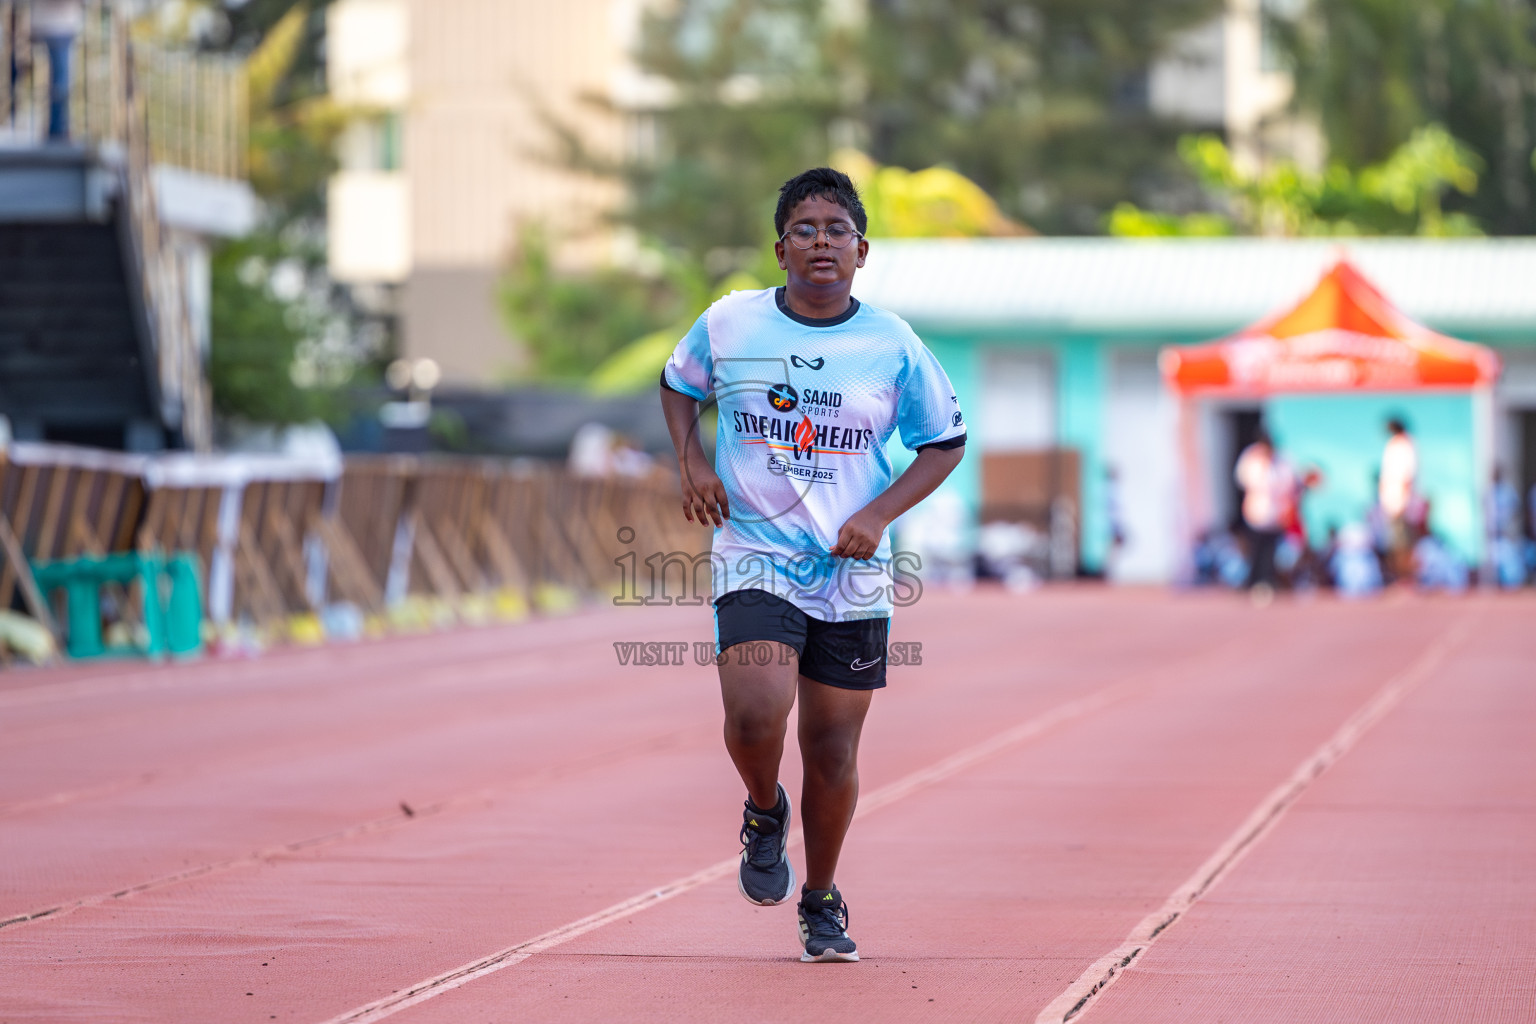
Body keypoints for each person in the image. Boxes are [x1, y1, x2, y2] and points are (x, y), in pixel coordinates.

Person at [659, 168, 965, 963]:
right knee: (756, 714)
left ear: (861, 251)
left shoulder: (892, 344)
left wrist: (877, 515)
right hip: (754, 553)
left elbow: (944, 442)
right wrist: (691, 463)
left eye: (837, 229)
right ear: (779, 247)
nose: (820, 241)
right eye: (805, 228)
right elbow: (677, 384)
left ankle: (821, 898)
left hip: (850, 570)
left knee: (833, 749)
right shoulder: (731, 324)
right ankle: (765, 809)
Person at [1233, 428, 1291, 600]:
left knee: (1270, 550)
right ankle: (1253, 581)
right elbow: (1243, 479)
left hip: (1275, 513)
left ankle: (1267, 581)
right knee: (1255, 550)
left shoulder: (1280, 460)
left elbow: (1287, 482)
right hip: (1256, 512)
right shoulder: (1251, 458)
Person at [1379, 417, 1417, 580]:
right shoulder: (1395, 444)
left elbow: (1407, 476)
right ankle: (1400, 577)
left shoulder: (1404, 445)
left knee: (1403, 542)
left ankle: (1406, 578)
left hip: (1400, 502)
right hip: (1392, 501)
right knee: (1395, 541)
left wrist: (1402, 501)